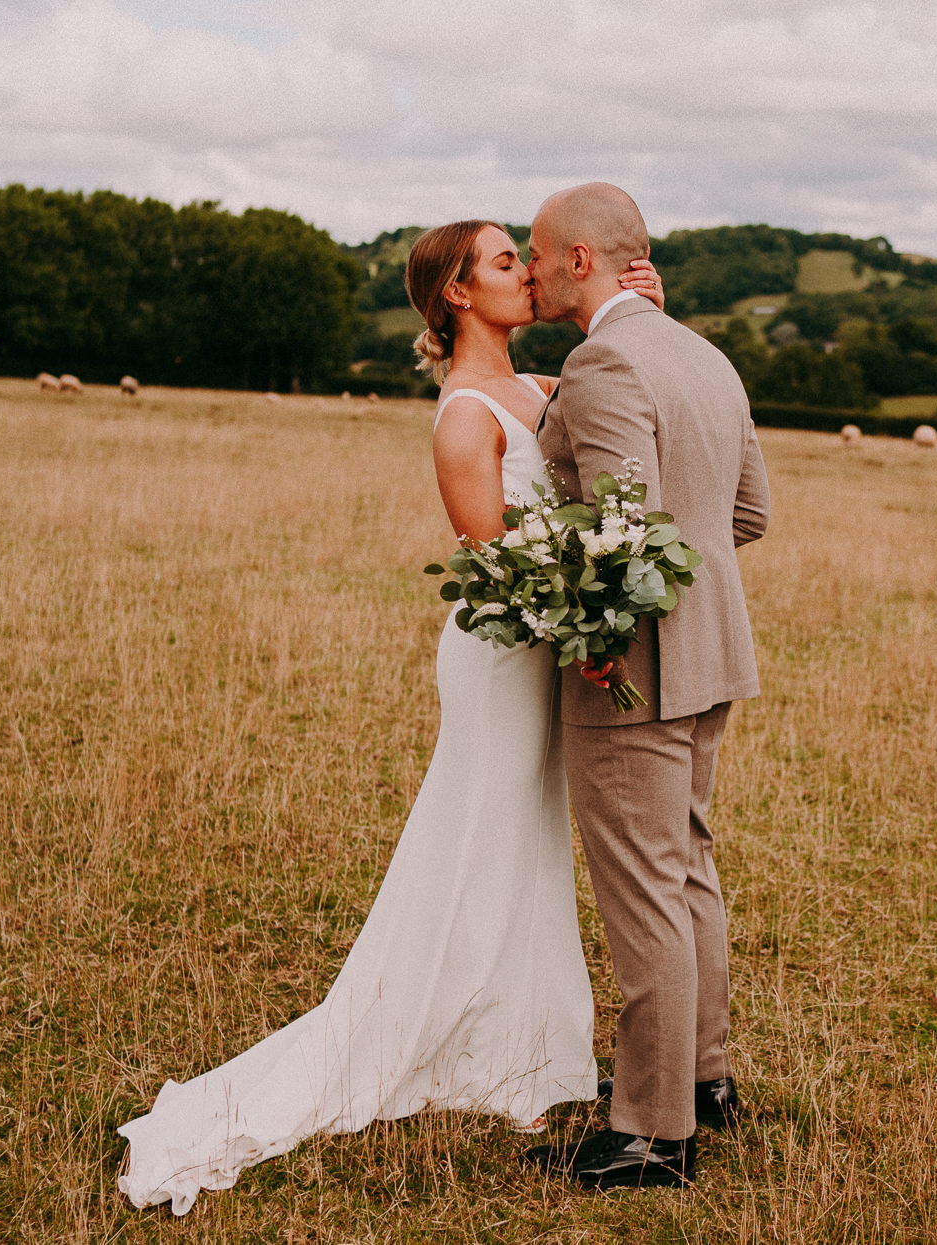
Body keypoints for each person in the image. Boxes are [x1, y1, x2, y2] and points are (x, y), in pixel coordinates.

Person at [114, 223, 666, 1216]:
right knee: (476, 837)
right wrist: (577, 634)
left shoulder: (544, 392)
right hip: (502, 656)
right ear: (456, 294)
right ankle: (425, 1032)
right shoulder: (463, 418)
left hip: (553, 654)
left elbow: (628, 424)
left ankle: (523, 1051)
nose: (524, 273)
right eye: (503, 262)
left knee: (528, 844)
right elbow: (492, 564)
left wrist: (643, 323)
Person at [523, 183, 771, 1190]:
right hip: (713, 652)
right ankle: (702, 1081)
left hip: (634, 669)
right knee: (686, 871)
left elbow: (624, 525)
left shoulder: (607, 359)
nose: (531, 271)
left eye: (537, 255)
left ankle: (649, 1134)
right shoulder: (698, 353)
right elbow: (745, 513)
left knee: (643, 897)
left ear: (581, 258)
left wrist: (602, 633)